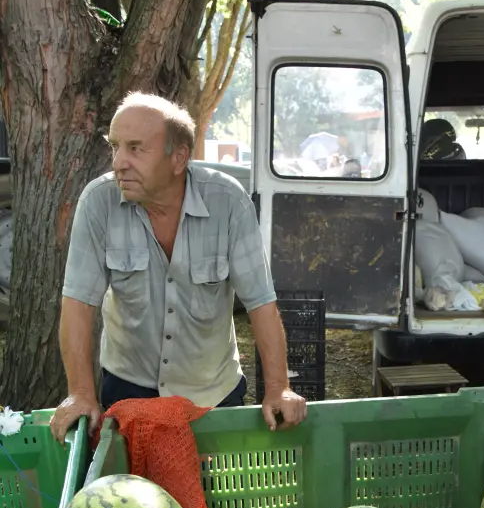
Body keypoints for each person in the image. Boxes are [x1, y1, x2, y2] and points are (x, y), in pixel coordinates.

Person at [50, 92, 307, 443]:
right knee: (132, 480)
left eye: (136, 148)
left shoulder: (228, 202)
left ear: (179, 158)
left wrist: (278, 388)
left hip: (212, 392)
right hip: (128, 388)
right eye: (115, 146)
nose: (119, 162)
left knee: (214, 479)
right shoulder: (98, 202)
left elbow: (260, 301)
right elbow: (78, 302)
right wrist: (81, 393)